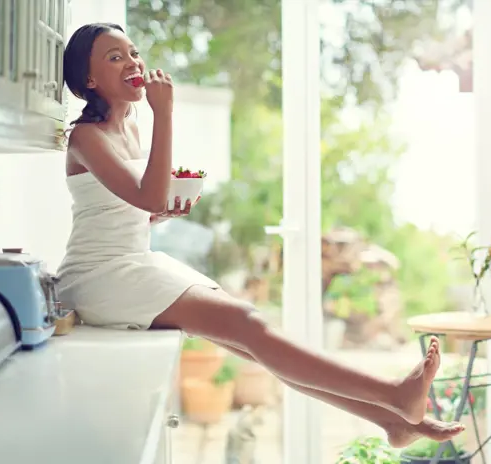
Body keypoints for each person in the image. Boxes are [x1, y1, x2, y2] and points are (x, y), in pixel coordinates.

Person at [57, 22, 465, 448]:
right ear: (89, 80)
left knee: (250, 339)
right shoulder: (85, 137)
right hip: (98, 276)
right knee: (248, 325)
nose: (133, 62)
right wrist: (166, 115)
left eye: (133, 52)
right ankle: (393, 395)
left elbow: (134, 206)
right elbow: (149, 193)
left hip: (132, 261)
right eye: (115, 57)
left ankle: (390, 420)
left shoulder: (130, 131)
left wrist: (159, 215)